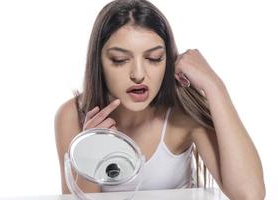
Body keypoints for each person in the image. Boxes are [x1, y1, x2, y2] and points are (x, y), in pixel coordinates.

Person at [54, 0, 266, 199]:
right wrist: (90, 149)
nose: (138, 74)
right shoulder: (72, 115)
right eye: (120, 60)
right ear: (98, 62)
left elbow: (249, 195)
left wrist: (215, 86)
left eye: (153, 58)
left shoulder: (183, 114)